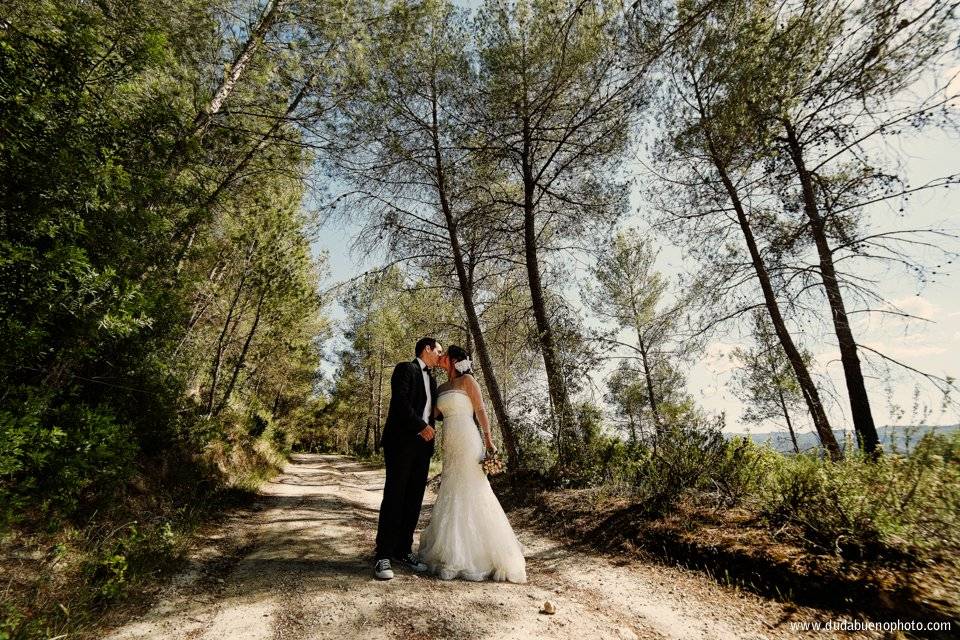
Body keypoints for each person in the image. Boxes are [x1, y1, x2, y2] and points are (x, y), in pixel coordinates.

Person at [416, 345, 527, 583]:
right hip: (450, 442)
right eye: (440, 354)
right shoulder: (442, 387)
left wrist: (488, 440)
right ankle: (449, 548)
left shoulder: (468, 381)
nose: (441, 358)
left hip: (468, 438)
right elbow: (434, 413)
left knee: (474, 488)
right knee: (452, 488)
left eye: (445, 356)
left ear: (455, 360)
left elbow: (481, 409)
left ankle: (480, 553)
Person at [373, 337, 443, 580]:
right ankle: (383, 554)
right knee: (395, 496)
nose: (439, 356)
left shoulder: (433, 378)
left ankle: (403, 549)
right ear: (427, 349)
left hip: (423, 448)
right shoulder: (406, 368)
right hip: (401, 443)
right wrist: (420, 426)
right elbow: (400, 403)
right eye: (438, 352)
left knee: (414, 500)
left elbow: (436, 411)